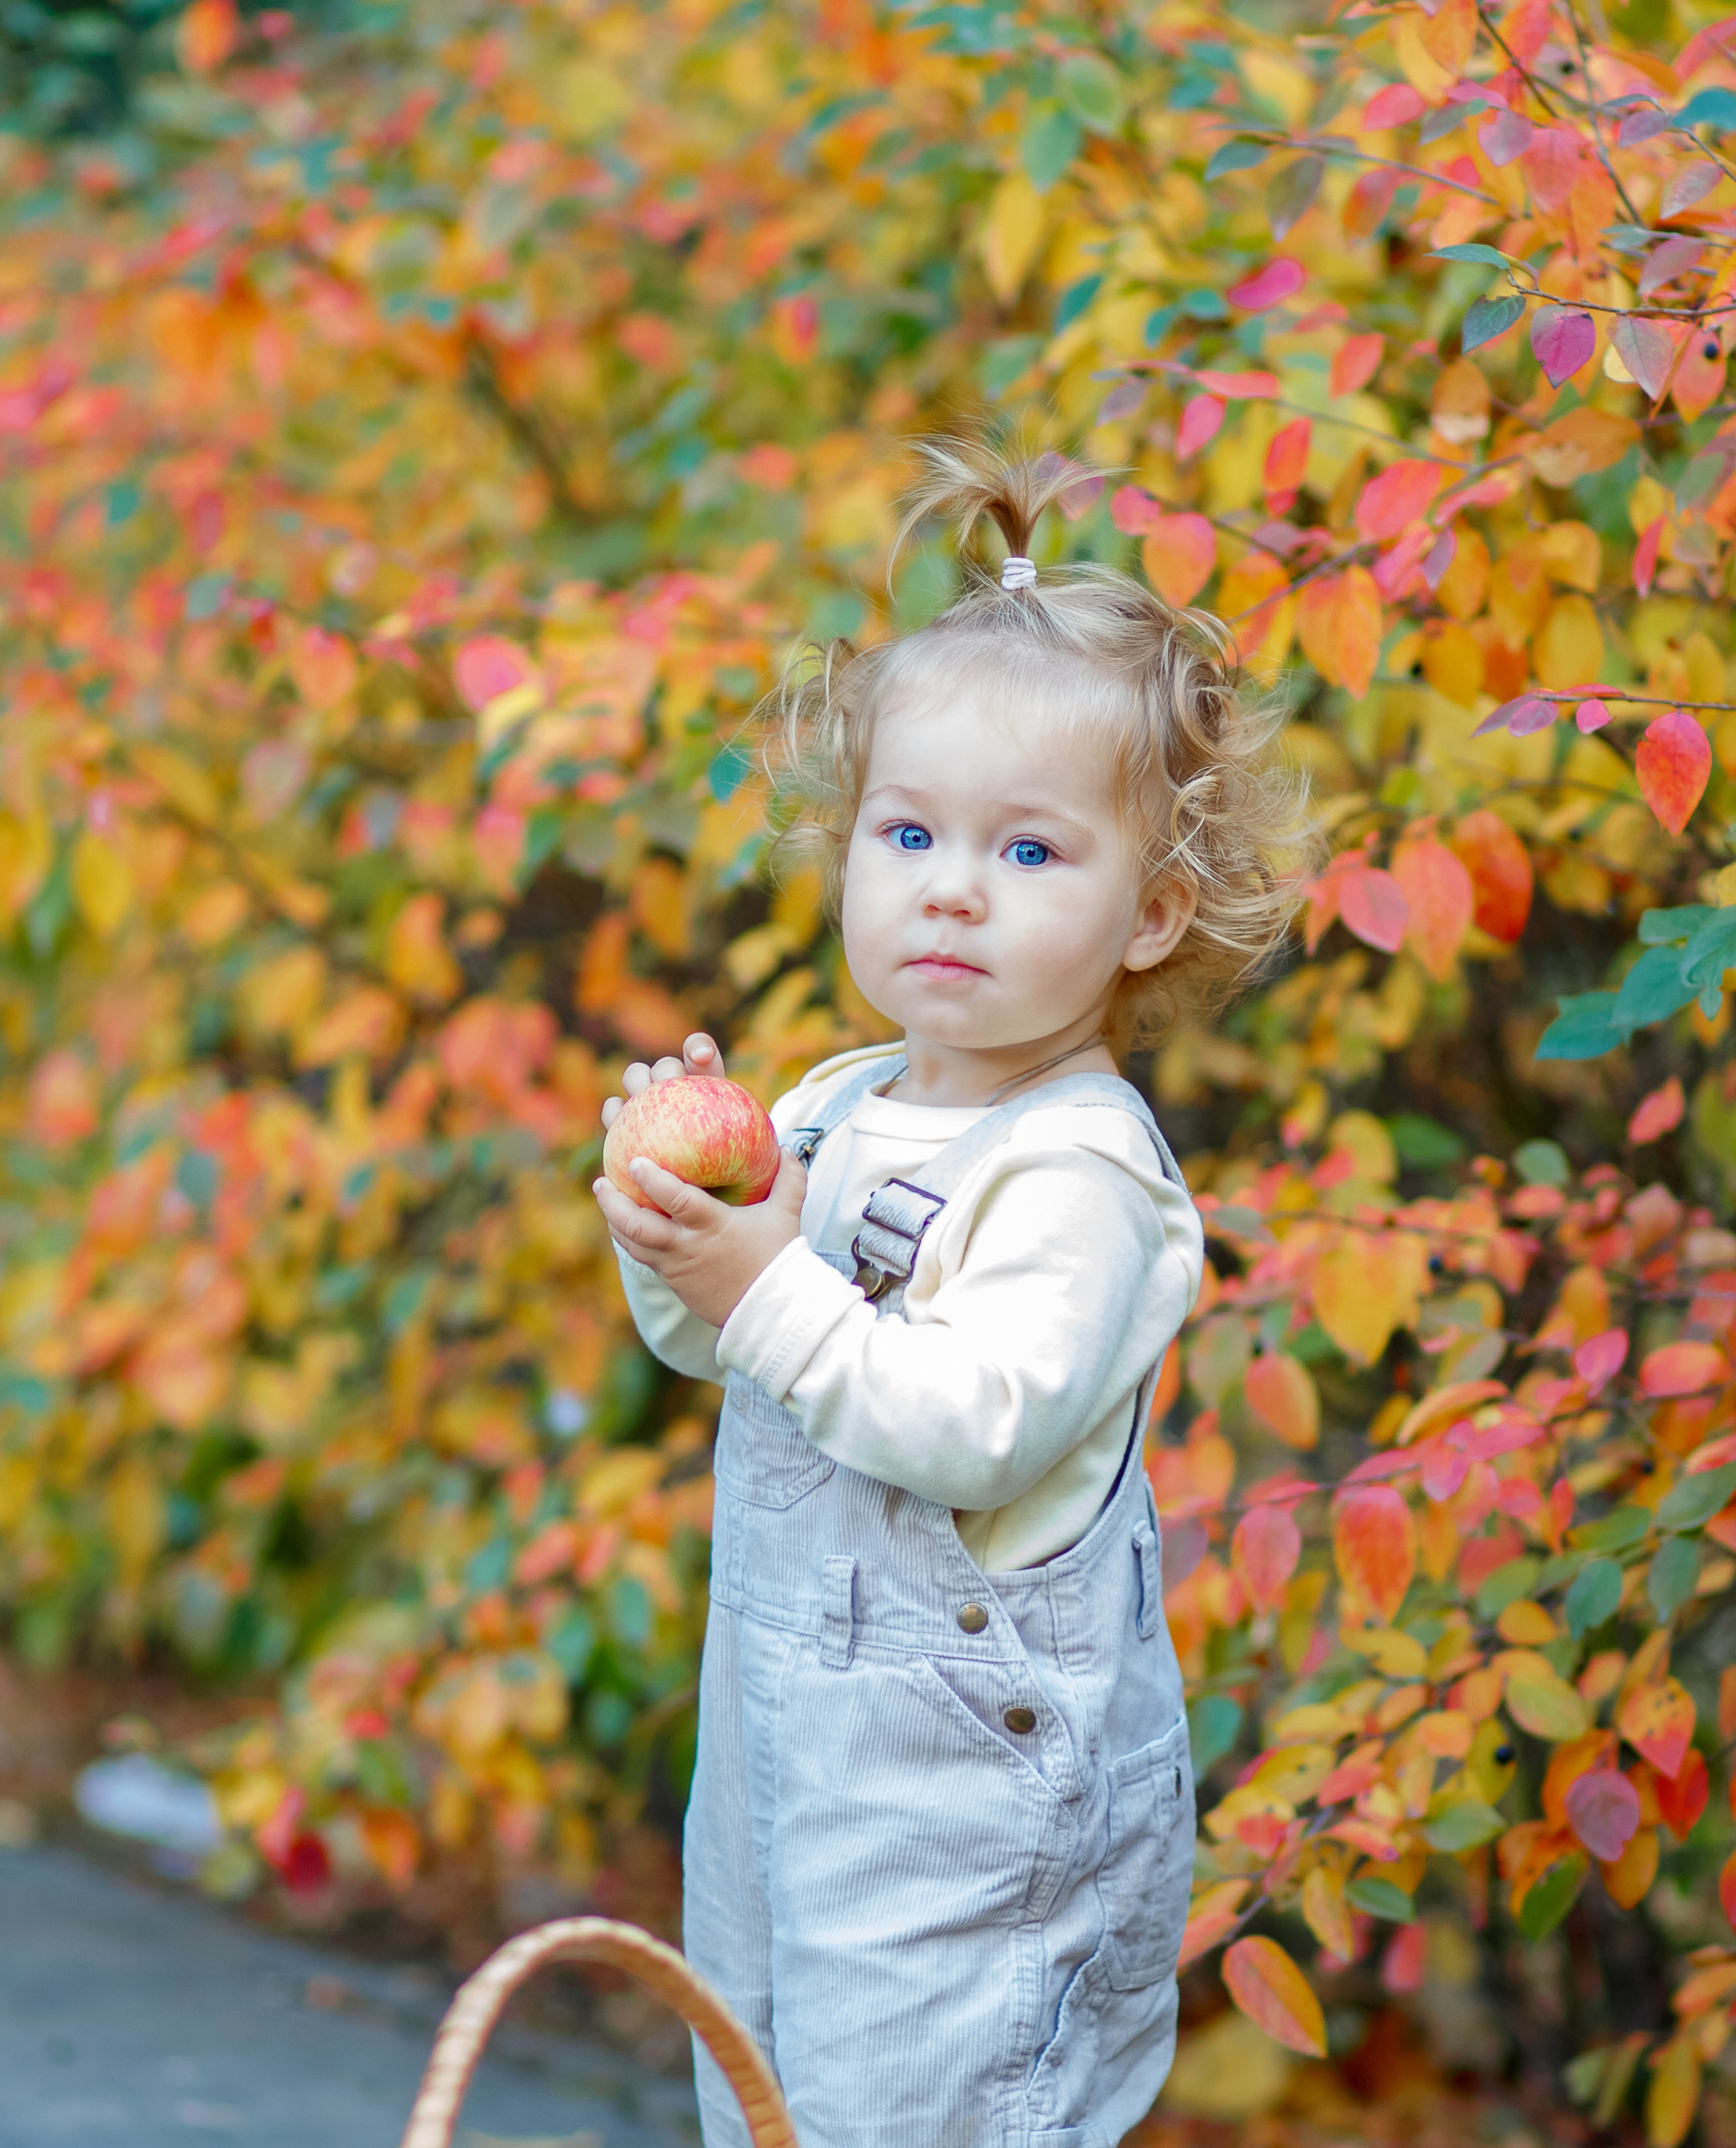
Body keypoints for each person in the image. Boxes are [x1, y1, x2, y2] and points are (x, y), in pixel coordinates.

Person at [592, 435, 1309, 2147]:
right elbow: (729, 1345)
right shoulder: (835, 1104)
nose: (951, 885)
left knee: (930, 2112)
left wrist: (763, 1274)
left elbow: (965, 1422)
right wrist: (676, 1238)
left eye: (1028, 852)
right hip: (787, 1755)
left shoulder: (1077, 1172)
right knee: (767, 2086)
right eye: (906, 830)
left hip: (973, 1803)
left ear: (1149, 914)